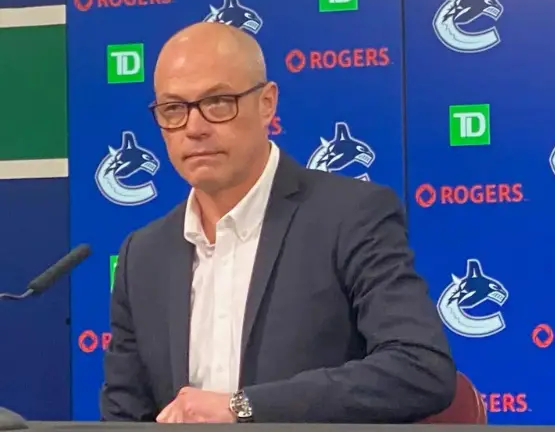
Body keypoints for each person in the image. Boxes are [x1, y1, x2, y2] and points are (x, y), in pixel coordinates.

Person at [101, 22, 456, 423]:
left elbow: (419, 367)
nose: (194, 128)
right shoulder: (143, 255)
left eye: (218, 102)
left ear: (267, 103)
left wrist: (244, 408)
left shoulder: (351, 215)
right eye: (173, 109)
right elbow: (123, 417)